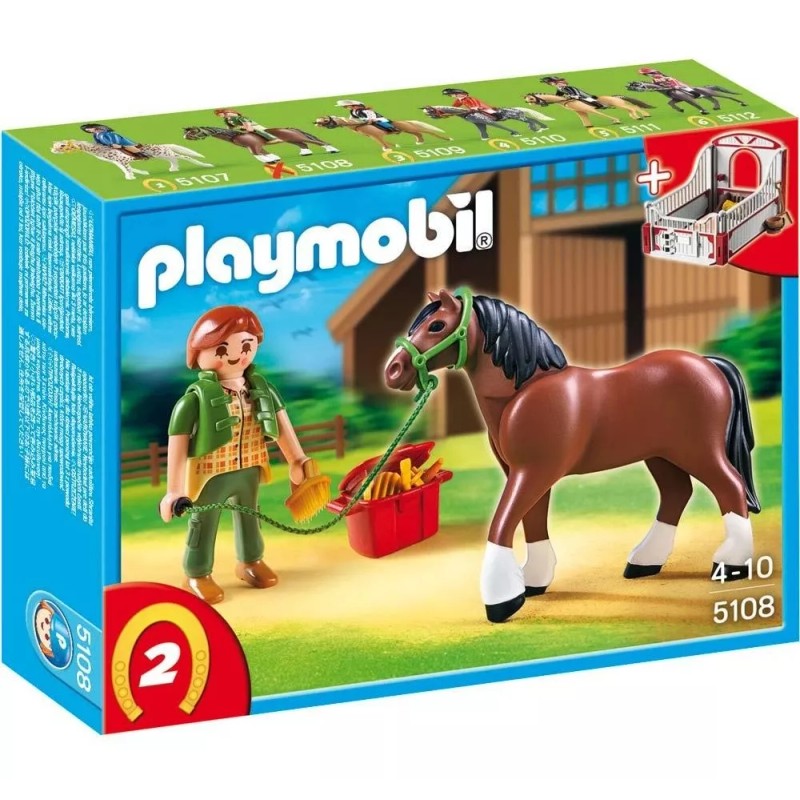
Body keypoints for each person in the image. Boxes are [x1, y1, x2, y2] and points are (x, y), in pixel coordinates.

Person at [159, 306, 325, 604]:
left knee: (250, 516)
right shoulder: (194, 399)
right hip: (210, 473)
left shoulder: (261, 389)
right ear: (198, 353)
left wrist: (297, 459)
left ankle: (251, 561)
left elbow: (282, 425)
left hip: (251, 465)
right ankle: (196, 573)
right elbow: (178, 442)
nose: (237, 355)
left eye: (247, 346)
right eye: (223, 349)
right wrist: (174, 490)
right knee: (203, 522)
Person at [213, 108, 280, 143]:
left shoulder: (238, 117)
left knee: (252, 129)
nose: (220, 116)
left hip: (250, 125)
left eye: (220, 114)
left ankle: (271, 138)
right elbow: (229, 128)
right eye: (219, 115)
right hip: (242, 128)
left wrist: (244, 126)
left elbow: (245, 122)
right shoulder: (226, 120)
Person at [80, 123, 145, 157]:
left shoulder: (104, 132)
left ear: (93, 127)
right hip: (107, 145)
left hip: (116, 142)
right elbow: (98, 141)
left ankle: (140, 154)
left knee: (123, 147)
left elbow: (112, 138)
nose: (89, 131)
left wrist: (112, 144)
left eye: (89, 129)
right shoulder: (95, 134)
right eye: (88, 130)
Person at [539, 77, 606, 109]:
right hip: (573, 96)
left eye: (550, 83)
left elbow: (574, 92)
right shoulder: (559, 88)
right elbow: (558, 96)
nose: (550, 84)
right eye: (549, 83)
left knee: (586, 99)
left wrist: (573, 96)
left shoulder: (566, 87)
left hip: (578, 94)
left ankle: (600, 105)